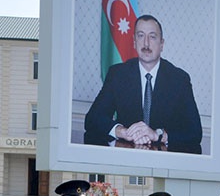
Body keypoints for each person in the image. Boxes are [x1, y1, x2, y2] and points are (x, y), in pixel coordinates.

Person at [84, 14, 203, 153]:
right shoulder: (118, 74)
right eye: (141, 36)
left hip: (165, 162)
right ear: (134, 42)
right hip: (126, 158)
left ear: (162, 44)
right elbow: (92, 119)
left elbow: (194, 132)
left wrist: (158, 135)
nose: (146, 44)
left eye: (152, 37)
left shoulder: (179, 79)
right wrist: (122, 131)